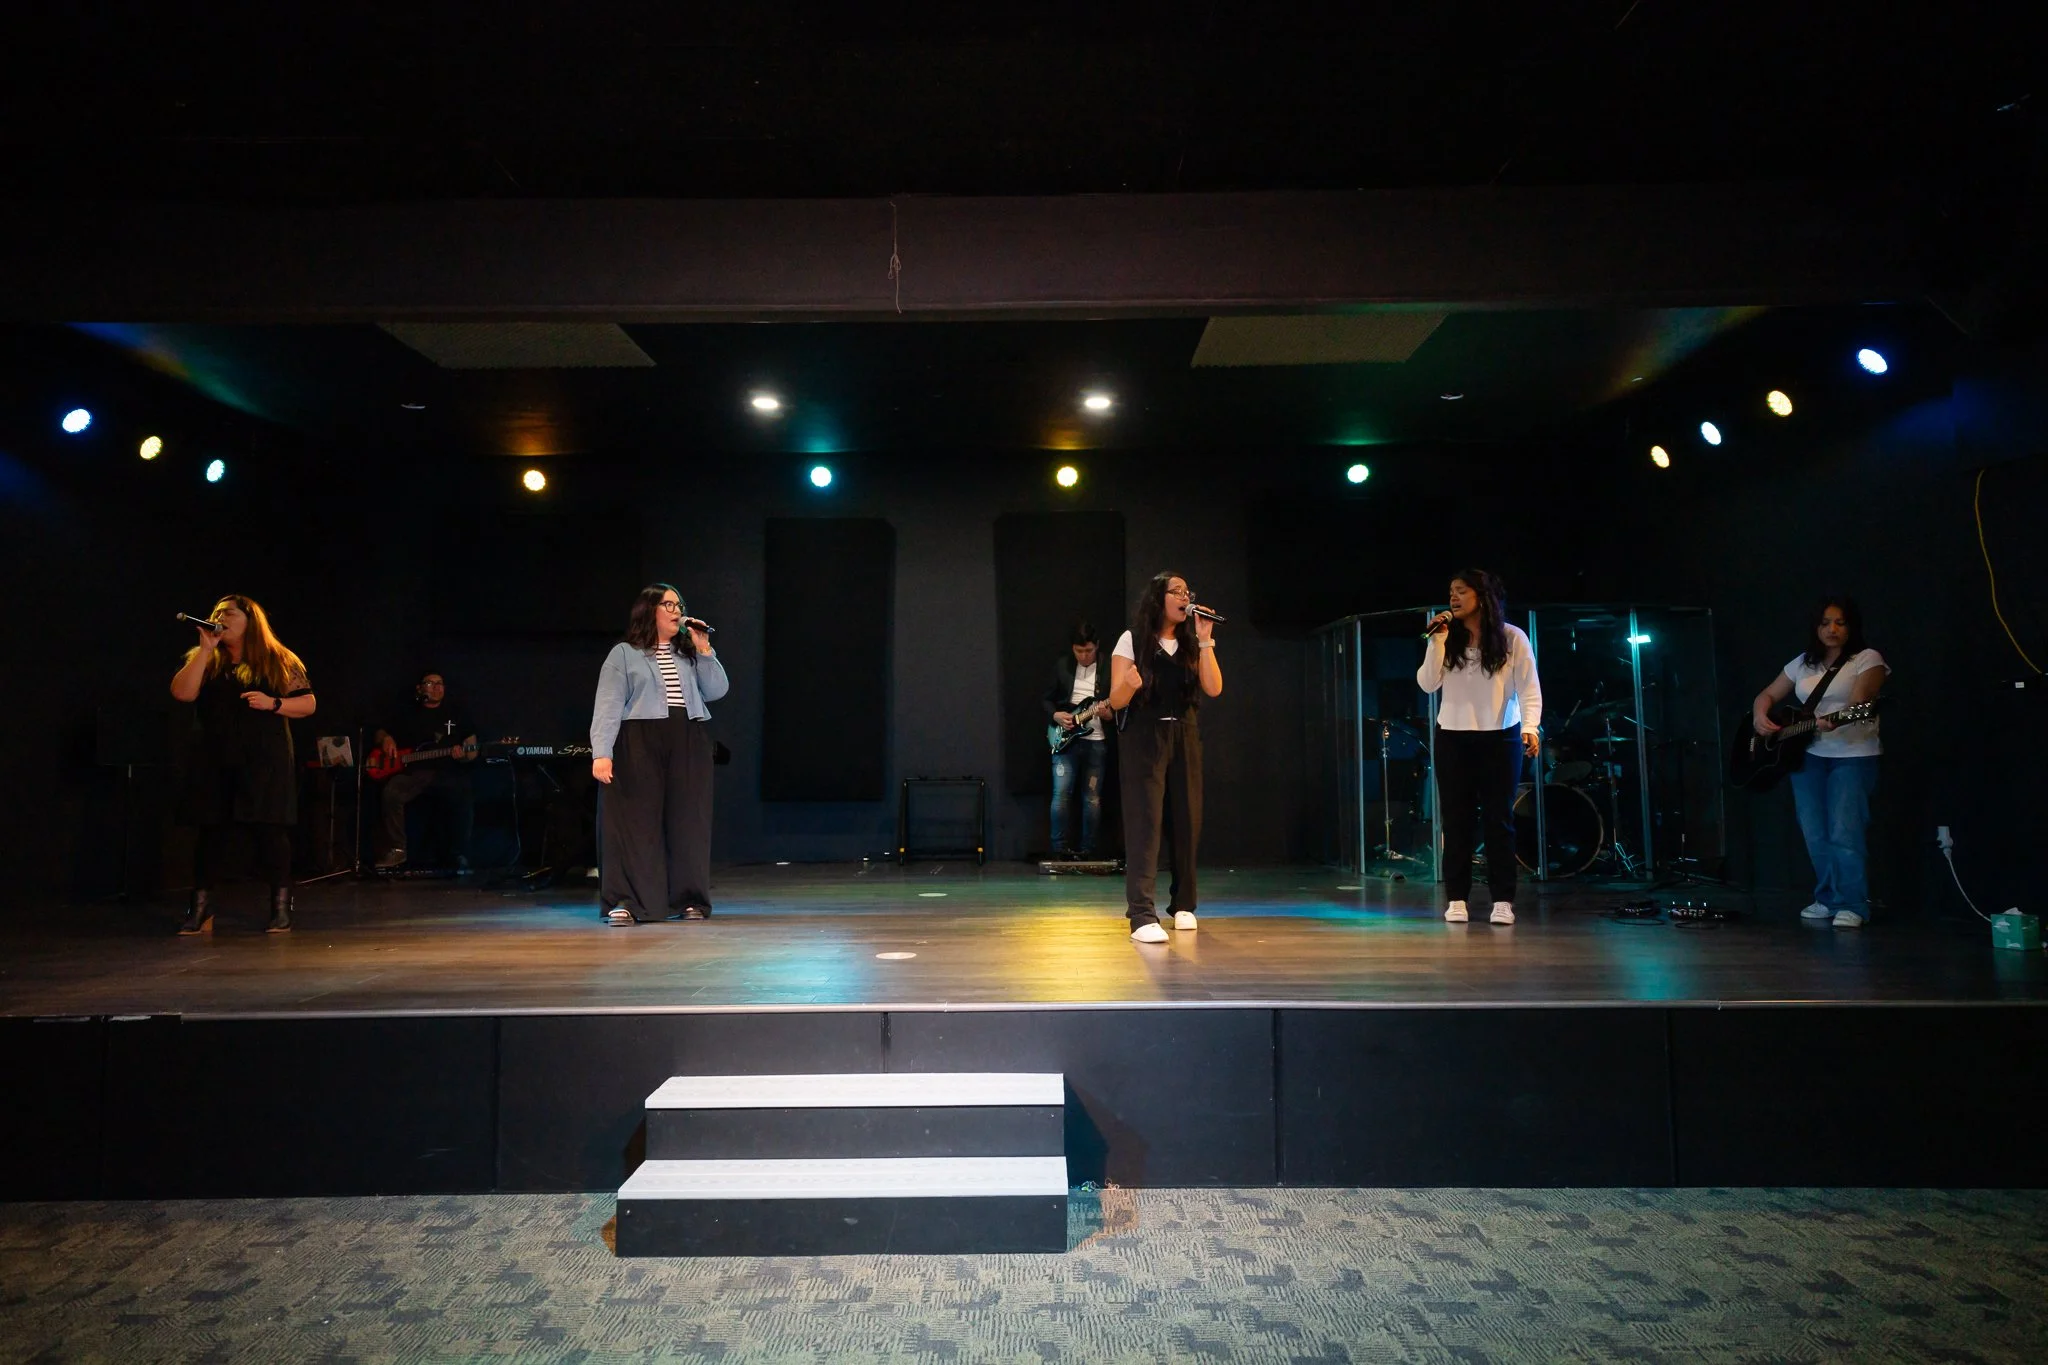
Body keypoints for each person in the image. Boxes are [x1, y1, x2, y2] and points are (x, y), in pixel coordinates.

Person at [169, 595, 316, 934]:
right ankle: (200, 910)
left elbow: (308, 704)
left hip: (265, 761)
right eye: (218, 612)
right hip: (215, 758)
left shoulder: (277, 659)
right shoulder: (206, 659)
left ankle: (281, 908)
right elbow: (182, 694)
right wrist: (204, 651)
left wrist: (273, 703)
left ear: (251, 621)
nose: (221, 618)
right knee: (210, 834)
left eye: (230, 613)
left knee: (270, 833)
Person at [589, 583, 729, 925]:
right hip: (639, 740)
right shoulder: (624, 654)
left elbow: (717, 690)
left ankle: (689, 899)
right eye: (669, 604)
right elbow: (608, 705)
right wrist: (602, 752)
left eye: (679, 605)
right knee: (635, 823)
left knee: (688, 822)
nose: (677, 610)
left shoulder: (689, 653)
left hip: (687, 739)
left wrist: (704, 648)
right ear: (649, 610)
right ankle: (627, 901)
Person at [1749, 596, 1888, 928]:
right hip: (1808, 756)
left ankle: (1853, 904)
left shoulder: (1867, 659)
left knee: (1845, 831)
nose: (1832, 629)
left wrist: (1836, 719)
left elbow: (1860, 702)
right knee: (1814, 832)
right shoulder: (1803, 663)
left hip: (1853, 756)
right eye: (1825, 623)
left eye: (1840, 622)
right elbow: (1767, 694)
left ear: (1851, 626)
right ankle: (1827, 898)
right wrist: (1760, 715)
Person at [1417, 569, 1542, 926]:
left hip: (1500, 736)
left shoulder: (1512, 637)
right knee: (1456, 820)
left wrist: (1530, 726)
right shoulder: (1446, 636)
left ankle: (1503, 900)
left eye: (1461, 591)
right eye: (1450, 592)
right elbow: (1427, 684)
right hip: (1452, 736)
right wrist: (1436, 642)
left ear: (1482, 596)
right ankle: (1457, 898)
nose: (1453, 598)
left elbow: (1529, 686)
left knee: (1498, 820)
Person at [1108, 573, 1222, 943]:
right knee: (1145, 822)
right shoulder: (1132, 640)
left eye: (1187, 591)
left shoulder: (1191, 644)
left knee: (1187, 819)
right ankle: (1142, 914)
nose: (1185, 597)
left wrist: (1205, 640)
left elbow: (1213, 688)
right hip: (1145, 737)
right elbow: (1116, 700)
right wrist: (1129, 685)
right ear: (1159, 598)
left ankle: (1184, 904)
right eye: (1177, 591)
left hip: (1184, 735)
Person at [371, 671, 482, 871]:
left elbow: (472, 751)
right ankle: (398, 849)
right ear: (419, 688)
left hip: (448, 772)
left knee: (463, 792)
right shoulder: (407, 713)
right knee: (391, 792)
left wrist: (463, 755)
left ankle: (458, 853)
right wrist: (386, 738)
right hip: (414, 773)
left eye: (440, 683)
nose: (437, 687)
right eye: (431, 683)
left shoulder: (457, 713)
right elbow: (380, 731)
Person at [1044, 621, 1112, 860]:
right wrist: (1055, 715)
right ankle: (1059, 850)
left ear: (1097, 646)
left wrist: (1108, 714)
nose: (1084, 656)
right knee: (1060, 795)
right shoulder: (1062, 666)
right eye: (1078, 651)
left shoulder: (1110, 667)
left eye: (1088, 651)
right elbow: (1046, 699)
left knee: (1092, 798)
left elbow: (1118, 706)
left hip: (1096, 740)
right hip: (1065, 740)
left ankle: (1088, 850)